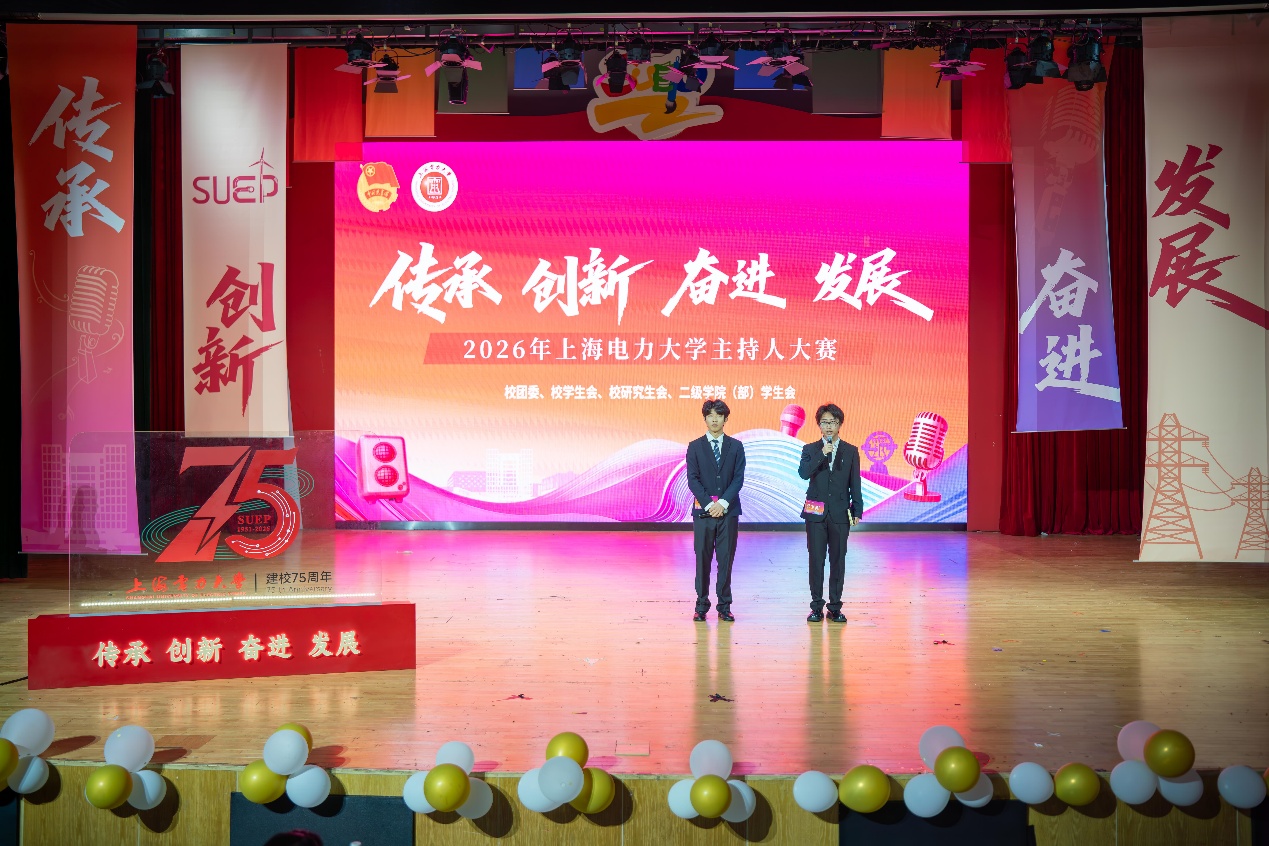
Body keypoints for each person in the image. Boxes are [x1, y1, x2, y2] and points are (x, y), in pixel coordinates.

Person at [797, 403, 862, 623]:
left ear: (840, 424)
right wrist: (821, 454)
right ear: (819, 425)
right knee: (816, 561)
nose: (829, 427)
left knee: (838, 561)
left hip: (840, 514)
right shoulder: (810, 449)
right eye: (824, 422)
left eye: (833, 422)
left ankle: (835, 607)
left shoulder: (850, 451)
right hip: (815, 514)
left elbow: (855, 483)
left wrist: (857, 509)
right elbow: (803, 474)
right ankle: (816, 606)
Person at [685, 399, 746, 622]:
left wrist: (723, 503)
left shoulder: (736, 446)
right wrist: (710, 505)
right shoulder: (695, 446)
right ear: (705, 419)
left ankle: (724, 606)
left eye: (718, 416)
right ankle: (701, 606)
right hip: (704, 513)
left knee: (725, 560)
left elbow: (738, 478)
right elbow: (693, 479)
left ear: (725, 419)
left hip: (728, 513)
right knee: (702, 560)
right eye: (710, 415)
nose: (714, 420)